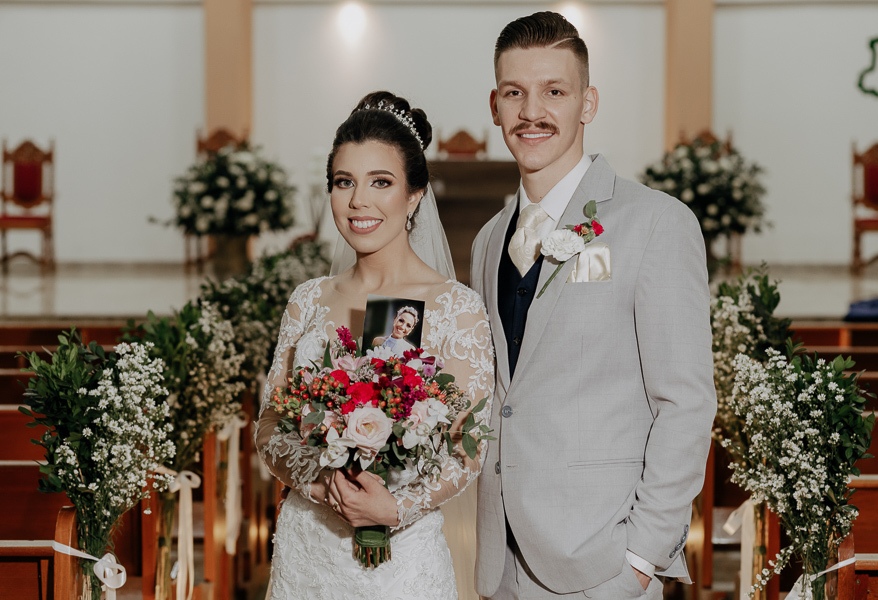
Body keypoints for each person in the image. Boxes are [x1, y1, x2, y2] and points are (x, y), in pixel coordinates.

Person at [470, 12, 716, 599]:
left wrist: (640, 557)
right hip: (500, 566)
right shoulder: (487, 240)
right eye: (514, 93)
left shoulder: (656, 223)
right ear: (495, 106)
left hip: (602, 564)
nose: (532, 111)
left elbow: (685, 401)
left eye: (554, 91)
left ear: (588, 103)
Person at [255, 91, 494, 600]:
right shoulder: (308, 300)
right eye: (344, 182)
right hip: (308, 548)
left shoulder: (457, 307)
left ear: (414, 196)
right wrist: (320, 485)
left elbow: (469, 445)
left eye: (380, 182)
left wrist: (396, 508)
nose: (358, 201)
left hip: (403, 562)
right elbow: (270, 425)